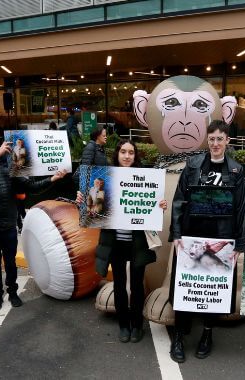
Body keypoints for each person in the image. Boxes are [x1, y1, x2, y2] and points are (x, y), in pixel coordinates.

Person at [168, 120, 245, 363]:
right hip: (192, 234)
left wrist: (239, 244)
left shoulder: (236, 170)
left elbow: (241, 207)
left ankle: (207, 335)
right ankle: (179, 336)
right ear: (207, 141)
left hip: (221, 234)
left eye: (219, 139)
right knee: (185, 284)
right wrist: (177, 233)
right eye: (211, 139)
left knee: (215, 289)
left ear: (227, 141)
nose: (215, 143)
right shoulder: (192, 165)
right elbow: (179, 200)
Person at [76, 139, 168, 343]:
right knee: (119, 285)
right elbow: (92, 210)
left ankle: (137, 326)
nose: (127, 156)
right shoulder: (105, 178)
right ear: (117, 154)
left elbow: (152, 209)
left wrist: (160, 205)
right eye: (123, 152)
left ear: (135, 156)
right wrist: (82, 202)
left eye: (131, 153)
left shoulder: (145, 179)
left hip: (137, 244)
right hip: (114, 243)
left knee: (136, 286)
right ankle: (123, 325)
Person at [0, 142, 68, 311]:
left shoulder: (9, 171)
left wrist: (53, 179)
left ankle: (13, 291)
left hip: (8, 227)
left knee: (10, 263)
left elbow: (32, 187)